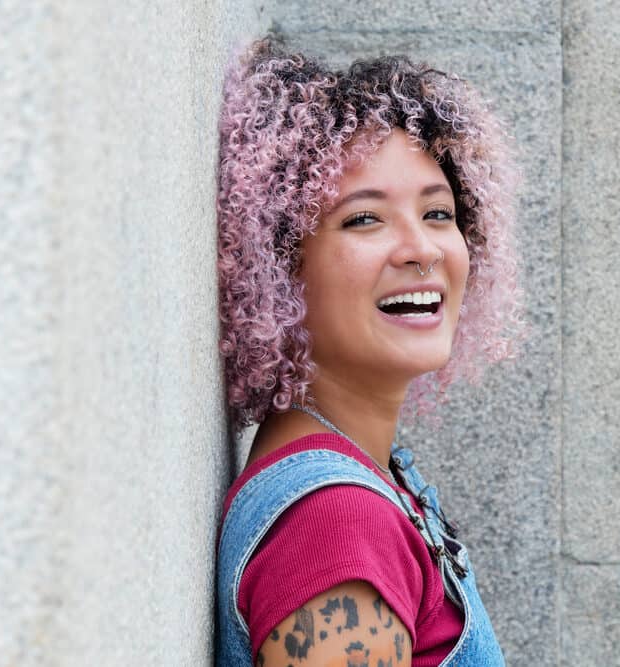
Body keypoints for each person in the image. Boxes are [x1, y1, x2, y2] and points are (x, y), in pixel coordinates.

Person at [215, 37, 523, 667]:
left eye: (439, 213)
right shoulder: (337, 525)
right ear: (281, 268)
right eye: (363, 219)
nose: (422, 249)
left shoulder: (367, 478)